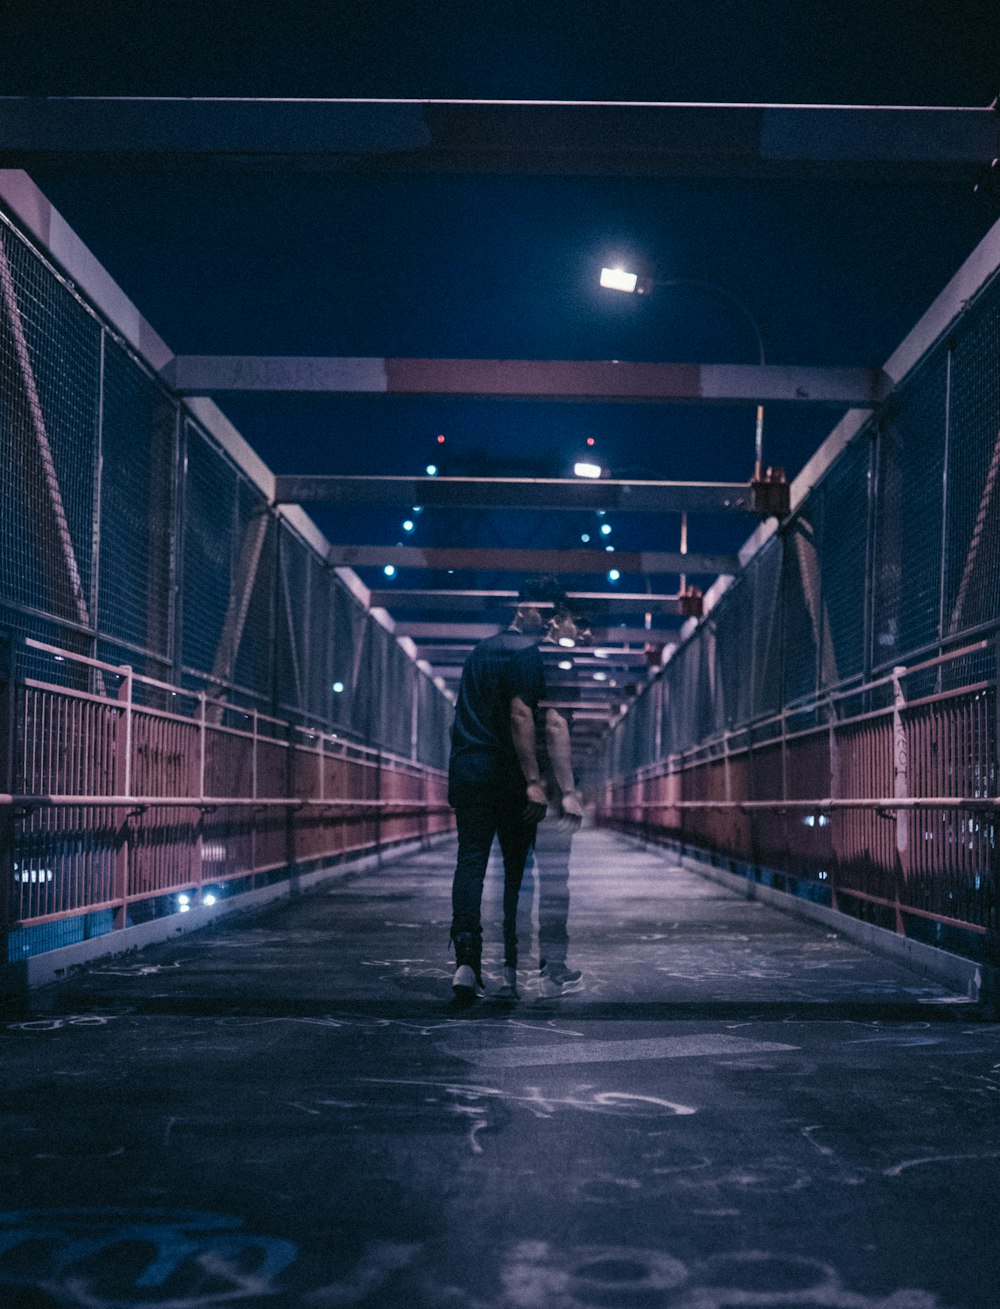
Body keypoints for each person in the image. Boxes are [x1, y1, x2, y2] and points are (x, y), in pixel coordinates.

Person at [447, 578, 557, 1002]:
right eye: (543, 613)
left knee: (470, 863)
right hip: (506, 778)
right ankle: (511, 966)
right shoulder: (525, 653)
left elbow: (462, 714)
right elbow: (519, 716)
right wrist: (533, 781)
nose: (547, 622)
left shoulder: (478, 653)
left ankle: (466, 964)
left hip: (469, 772)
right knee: (517, 869)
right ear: (523, 608)